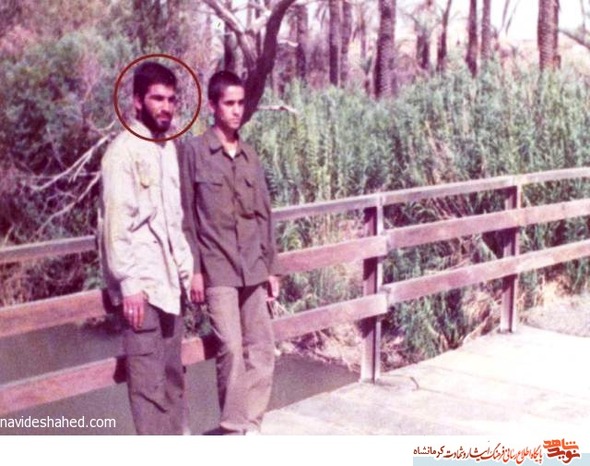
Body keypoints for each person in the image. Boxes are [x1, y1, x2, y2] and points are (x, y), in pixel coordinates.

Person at [180, 70, 279, 435]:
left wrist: (272, 269)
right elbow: (186, 216)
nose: (237, 111)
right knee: (232, 349)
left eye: (241, 103)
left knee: (262, 348)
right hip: (217, 267)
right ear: (213, 106)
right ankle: (234, 428)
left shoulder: (250, 155)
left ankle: (252, 423)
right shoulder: (194, 152)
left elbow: (265, 215)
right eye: (229, 104)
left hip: (253, 266)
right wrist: (194, 269)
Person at [98, 61, 194, 435]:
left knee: (172, 379)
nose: (165, 107)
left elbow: (173, 221)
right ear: (137, 102)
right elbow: (116, 227)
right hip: (142, 291)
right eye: (157, 98)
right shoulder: (122, 153)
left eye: (171, 99)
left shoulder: (166, 149)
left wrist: (187, 272)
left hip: (170, 286)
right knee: (148, 387)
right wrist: (129, 285)